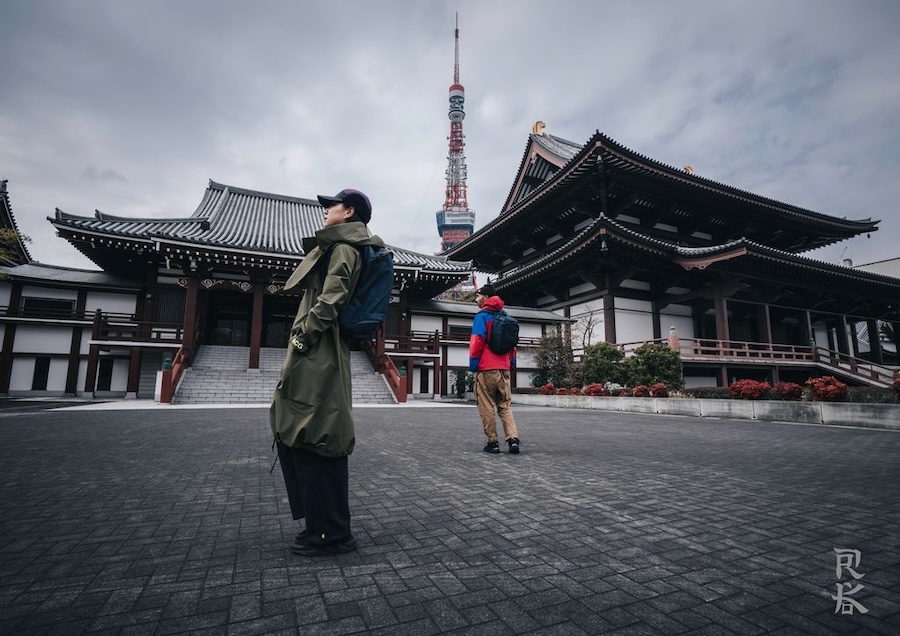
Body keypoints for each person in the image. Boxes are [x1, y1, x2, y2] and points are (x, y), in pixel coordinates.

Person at [270, 188, 385, 556]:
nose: (325, 210)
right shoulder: (341, 245)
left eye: (331, 205)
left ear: (348, 211)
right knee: (308, 429)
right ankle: (321, 526)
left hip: (320, 349)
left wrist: (302, 337)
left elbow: (332, 298)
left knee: (317, 431)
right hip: (320, 347)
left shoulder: (344, 248)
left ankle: (331, 534)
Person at [469, 284, 521, 454]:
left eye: (478, 296)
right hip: (504, 367)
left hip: (486, 368)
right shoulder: (505, 316)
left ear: (485, 297)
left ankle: (493, 442)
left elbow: (477, 342)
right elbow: (513, 345)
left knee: (486, 406)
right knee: (505, 405)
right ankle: (513, 439)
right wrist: (511, 363)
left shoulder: (482, 316)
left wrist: (474, 365)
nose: (476, 300)